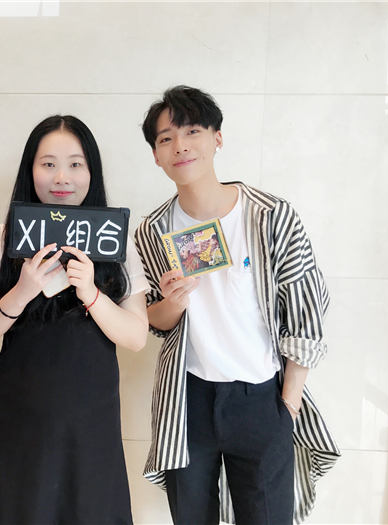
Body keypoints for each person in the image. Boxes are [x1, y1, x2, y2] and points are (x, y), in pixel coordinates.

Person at [134, 86, 340, 524]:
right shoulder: (153, 229)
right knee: (191, 516)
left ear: (217, 139)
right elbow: (151, 320)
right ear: (155, 155)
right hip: (187, 398)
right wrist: (172, 302)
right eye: (166, 138)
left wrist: (288, 405)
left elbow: (305, 312)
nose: (180, 146)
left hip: (262, 397)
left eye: (192, 131)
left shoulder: (270, 216)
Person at [0, 115, 149, 524]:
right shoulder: (5, 235)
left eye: (75, 164)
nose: (62, 177)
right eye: (48, 164)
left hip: (91, 419)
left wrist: (91, 293)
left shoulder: (117, 238)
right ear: (30, 170)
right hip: (19, 417)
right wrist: (23, 290)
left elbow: (136, 336)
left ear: (91, 172)